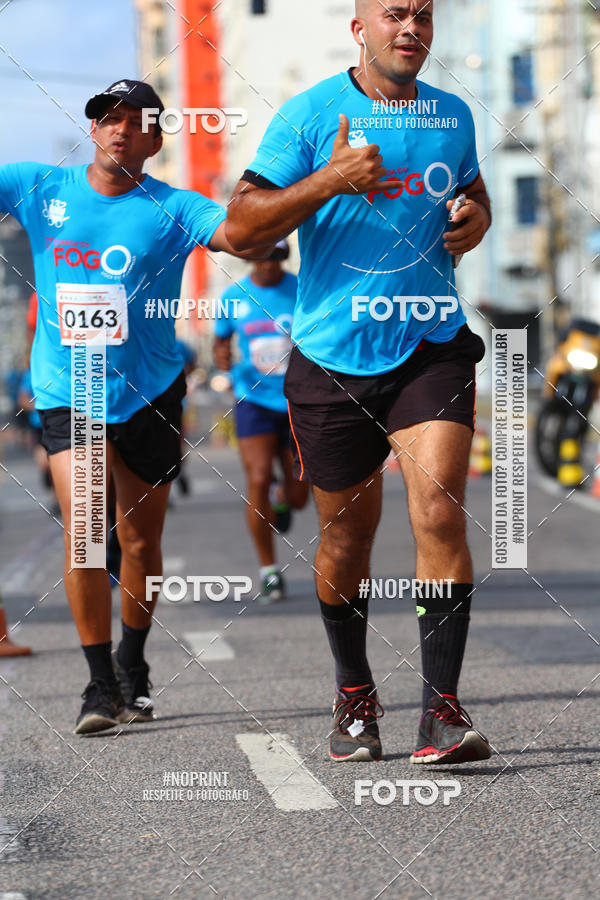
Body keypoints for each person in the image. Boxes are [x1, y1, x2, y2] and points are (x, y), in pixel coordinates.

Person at [226, 0, 493, 763]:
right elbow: (243, 227)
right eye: (394, 14)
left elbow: (471, 198)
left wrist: (477, 216)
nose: (411, 28)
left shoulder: (453, 114)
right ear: (360, 28)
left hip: (430, 339)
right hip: (333, 354)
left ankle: (441, 711)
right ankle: (354, 694)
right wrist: (329, 180)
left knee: (439, 510)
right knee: (347, 536)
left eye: (423, 15)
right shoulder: (311, 114)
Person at [0, 79, 270, 734]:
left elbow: (237, 236)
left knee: (139, 540)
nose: (120, 129)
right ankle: (97, 686)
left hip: (149, 392)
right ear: (93, 130)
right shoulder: (41, 188)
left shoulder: (174, 207)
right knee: (88, 534)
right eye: (107, 118)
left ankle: (133, 663)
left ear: (155, 138)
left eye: (136, 121)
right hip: (72, 390)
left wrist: (300, 194)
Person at [213, 241, 309, 603]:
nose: (271, 263)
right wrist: (221, 358)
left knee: (300, 494)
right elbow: (220, 341)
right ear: (250, 257)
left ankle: (283, 497)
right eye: (264, 254)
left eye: (279, 256)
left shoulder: (301, 288)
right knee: (257, 478)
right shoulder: (233, 297)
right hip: (252, 399)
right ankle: (268, 570)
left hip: (297, 400)